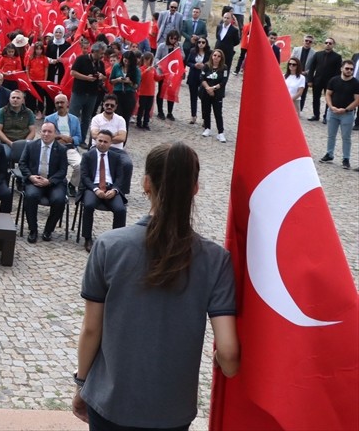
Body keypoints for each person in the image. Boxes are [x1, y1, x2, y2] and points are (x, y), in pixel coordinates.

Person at [73, 142, 238, 429]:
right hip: (171, 409)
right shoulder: (216, 260)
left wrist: (81, 384)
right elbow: (229, 353)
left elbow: (91, 328)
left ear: (146, 183)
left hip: (111, 401)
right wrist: (225, 364)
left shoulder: (108, 246)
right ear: (195, 187)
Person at [79, 130, 128, 251]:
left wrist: (115, 190)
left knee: (120, 209)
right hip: (93, 187)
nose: (102, 143)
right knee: (89, 205)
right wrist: (95, 189)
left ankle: (116, 240)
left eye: (105, 142)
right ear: (95, 140)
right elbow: (84, 177)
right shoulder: (87, 156)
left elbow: (120, 177)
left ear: (110, 143)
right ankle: (87, 238)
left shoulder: (116, 157)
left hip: (110, 187)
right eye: (99, 140)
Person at [20, 122, 69, 242]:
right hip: (34, 181)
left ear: (55, 134)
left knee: (59, 200)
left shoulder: (61, 149)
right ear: (40, 132)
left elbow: (63, 170)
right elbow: (22, 163)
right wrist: (31, 177)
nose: (46, 134)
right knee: (30, 196)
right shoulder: (31, 146)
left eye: (49, 132)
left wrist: (49, 181)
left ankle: (48, 230)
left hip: (53, 183)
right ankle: (33, 230)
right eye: (44, 131)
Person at [321, 59, 357, 169]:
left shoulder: (356, 83)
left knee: (346, 137)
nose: (349, 71)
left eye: (351, 69)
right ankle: (329, 154)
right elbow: (327, 94)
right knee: (331, 135)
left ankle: (346, 159)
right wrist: (331, 107)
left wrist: (345, 110)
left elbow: (357, 100)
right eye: (347, 68)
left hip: (347, 114)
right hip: (332, 112)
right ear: (341, 68)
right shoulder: (334, 80)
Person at [307, 37, 343, 123]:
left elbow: (338, 71)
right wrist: (310, 80)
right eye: (326, 42)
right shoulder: (317, 54)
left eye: (330, 43)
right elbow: (312, 68)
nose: (328, 44)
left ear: (333, 45)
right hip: (317, 80)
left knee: (329, 100)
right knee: (315, 98)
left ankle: (326, 117)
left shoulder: (337, 57)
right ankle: (316, 115)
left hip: (330, 82)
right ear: (324, 44)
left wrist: (335, 83)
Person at [198, 49, 229, 143]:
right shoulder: (206, 66)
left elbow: (224, 81)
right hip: (206, 92)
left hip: (217, 93)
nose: (216, 57)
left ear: (221, 58)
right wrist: (208, 88)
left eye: (219, 56)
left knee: (218, 113)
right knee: (206, 110)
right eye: (215, 55)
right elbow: (202, 78)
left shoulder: (224, 68)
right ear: (212, 56)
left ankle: (221, 132)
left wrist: (213, 88)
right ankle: (207, 128)